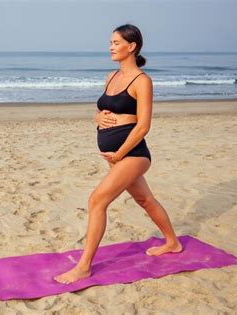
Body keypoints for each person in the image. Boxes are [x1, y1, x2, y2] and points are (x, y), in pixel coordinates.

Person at [53, 24, 183, 285]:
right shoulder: (111, 77)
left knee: (96, 201)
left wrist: (119, 153)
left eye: (115, 42)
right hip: (116, 155)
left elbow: (144, 125)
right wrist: (97, 117)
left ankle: (84, 267)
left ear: (131, 46)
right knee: (145, 200)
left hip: (133, 153)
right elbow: (102, 110)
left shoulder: (142, 81)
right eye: (110, 42)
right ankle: (172, 242)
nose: (110, 46)